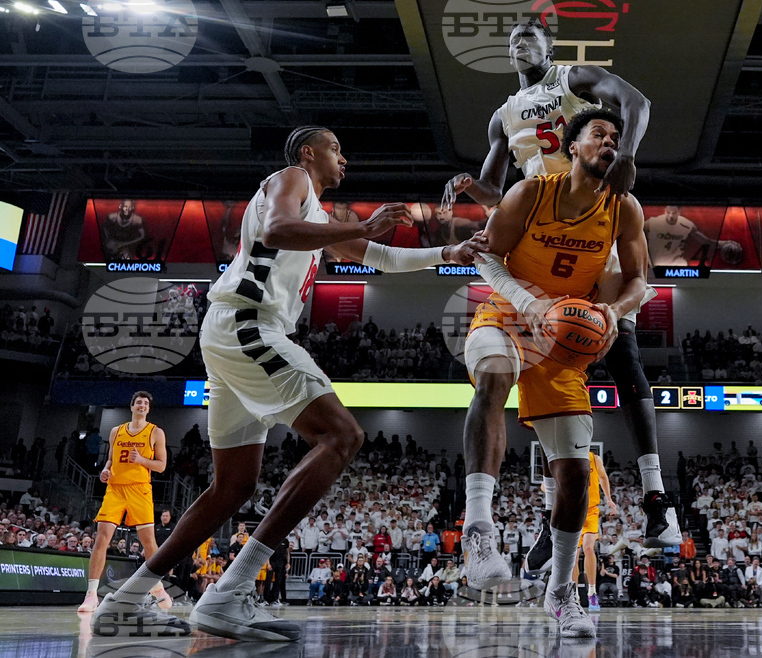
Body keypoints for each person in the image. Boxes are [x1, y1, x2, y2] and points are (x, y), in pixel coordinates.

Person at [91, 126, 483, 641]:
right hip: (250, 325)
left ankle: (124, 602)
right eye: (336, 148)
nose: (344, 158)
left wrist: (447, 254)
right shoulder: (292, 178)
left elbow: (382, 258)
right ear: (308, 153)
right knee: (343, 436)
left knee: (232, 487)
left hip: (235, 332)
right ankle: (230, 590)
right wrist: (364, 224)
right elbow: (277, 230)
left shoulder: (316, 217)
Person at [445, 19, 680, 573]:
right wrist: (471, 188)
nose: (519, 43)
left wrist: (626, 156)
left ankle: (656, 497)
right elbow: (496, 191)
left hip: (595, 221)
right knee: (546, 374)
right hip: (541, 226)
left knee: (619, 347)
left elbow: (637, 103)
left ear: (550, 46)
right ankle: (549, 517)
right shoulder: (503, 115)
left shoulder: (573, 79)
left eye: (530, 36)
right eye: (512, 40)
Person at [461, 108, 648, 639]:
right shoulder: (530, 192)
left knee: (575, 476)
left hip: (566, 339)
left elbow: (639, 281)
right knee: (493, 378)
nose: (609, 142)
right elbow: (485, 258)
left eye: (616, 137)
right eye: (598, 135)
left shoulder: (624, 207)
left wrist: (612, 312)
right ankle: (479, 528)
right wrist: (530, 302)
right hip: (508, 314)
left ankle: (561, 591)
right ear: (572, 147)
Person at [78, 391, 171, 614]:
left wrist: (141, 460)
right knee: (101, 538)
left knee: (149, 543)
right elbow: (110, 459)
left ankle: (157, 587)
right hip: (115, 490)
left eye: (146, 403)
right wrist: (105, 470)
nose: (142, 405)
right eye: (138, 402)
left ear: (148, 409)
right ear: (132, 407)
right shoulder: (116, 431)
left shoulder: (155, 432)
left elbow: (161, 466)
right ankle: (91, 595)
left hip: (140, 490)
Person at [572, 450, 617, 611]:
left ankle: (592, 592)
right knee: (573, 555)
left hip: (590, 511)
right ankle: (574, 595)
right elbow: (546, 484)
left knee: (589, 548)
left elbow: (603, 477)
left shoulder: (594, 458)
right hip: (572, 511)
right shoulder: (567, 457)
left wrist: (609, 498)